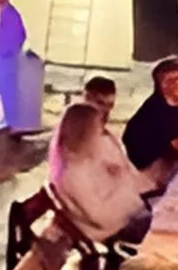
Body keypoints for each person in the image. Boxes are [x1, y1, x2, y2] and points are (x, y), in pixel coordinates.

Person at [49, 100, 148, 243]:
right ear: (84, 134)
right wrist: (122, 187)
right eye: (97, 131)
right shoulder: (73, 174)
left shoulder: (83, 157)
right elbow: (100, 217)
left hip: (121, 217)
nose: (100, 136)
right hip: (106, 230)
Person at [122, 58, 178, 189]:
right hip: (151, 178)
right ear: (170, 85)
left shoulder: (168, 105)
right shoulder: (160, 112)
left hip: (165, 169)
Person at [0, 0, 29, 129]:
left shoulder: (10, 13)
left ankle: (13, 122)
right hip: (4, 59)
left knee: (9, 90)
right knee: (5, 90)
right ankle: (10, 120)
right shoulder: (3, 13)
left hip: (8, 59)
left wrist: (6, 52)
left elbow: (19, 35)